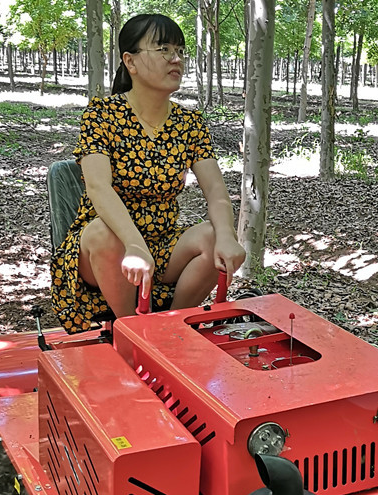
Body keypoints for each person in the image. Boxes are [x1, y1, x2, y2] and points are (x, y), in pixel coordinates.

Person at [50, 13, 245, 333]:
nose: (176, 58)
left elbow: (216, 192)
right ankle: (131, 329)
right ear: (131, 61)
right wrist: (134, 244)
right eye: (163, 49)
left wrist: (226, 234)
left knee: (211, 238)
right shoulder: (102, 115)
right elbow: (99, 188)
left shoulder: (189, 123)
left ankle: (168, 329)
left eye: (180, 50)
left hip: (163, 243)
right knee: (103, 233)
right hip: (104, 248)